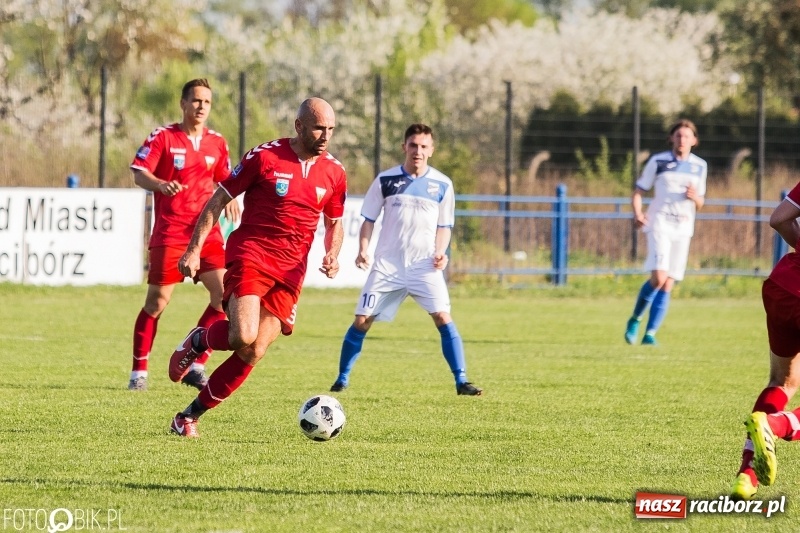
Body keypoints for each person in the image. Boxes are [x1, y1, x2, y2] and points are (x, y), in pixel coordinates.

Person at [167, 97, 347, 438]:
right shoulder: (265, 157)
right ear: (299, 126)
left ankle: (187, 418)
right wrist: (194, 250)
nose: (326, 136)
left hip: (291, 272)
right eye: (319, 128)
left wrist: (333, 253)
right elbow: (218, 199)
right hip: (252, 255)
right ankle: (201, 338)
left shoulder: (335, 172)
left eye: (331, 129)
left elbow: (334, 223)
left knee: (254, 350)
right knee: (242, 335)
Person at [329, 123, 482, 396]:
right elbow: (368, 220)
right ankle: (342, 378)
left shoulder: (443, 184)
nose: (418, 151)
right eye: (413, 145)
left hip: (424, 265)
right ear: (404, 147)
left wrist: (441, 252)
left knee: (443, 317)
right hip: (388, 265)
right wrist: (363, 249)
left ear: (431, 150)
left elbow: (444, 226)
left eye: (423, 146)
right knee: (362, 320)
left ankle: (462, 381)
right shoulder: (385, 180)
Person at [128, 78, 240, 392]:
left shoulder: (217, 142)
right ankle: (139, 372)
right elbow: (139, 173)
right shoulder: (163, 137)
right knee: (156, 303)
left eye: (207, 102)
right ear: (183, 103)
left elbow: (225, 180)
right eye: (196, 100)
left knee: (225, 296)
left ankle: (195, 361)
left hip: (206, 233)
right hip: (171, 232)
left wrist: (231, 198)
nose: (202, 106)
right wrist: (160, 184)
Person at [730, 183, 800, 500]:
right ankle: (775, 425)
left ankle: (746, 477)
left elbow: (779, 219)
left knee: (782, 381)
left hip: (783, 285)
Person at [623, 119, 707, 346]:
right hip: (659, 224)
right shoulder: (658, 161)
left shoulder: (700, 166)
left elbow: (701, 203)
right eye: (678, 135)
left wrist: (695, 197)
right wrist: (638, 213)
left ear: (694, 140)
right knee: (659, 277)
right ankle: (635, 319)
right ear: (671, 138)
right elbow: (638, 192)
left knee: (668, 282)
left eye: (686, 136)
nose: (682, 140)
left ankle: (650, 334)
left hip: (683, 228)